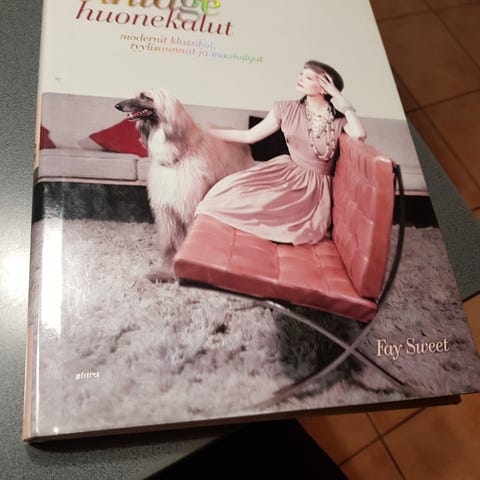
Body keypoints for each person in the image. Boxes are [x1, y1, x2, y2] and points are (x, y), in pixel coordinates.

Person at [195, 60, 367, 245]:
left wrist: (341, 99)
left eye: (308, 78)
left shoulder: (339, 121)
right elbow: (249, 136)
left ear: (325, 88)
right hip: (286, 172)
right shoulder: (286, 108)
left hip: (313, 189)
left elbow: (359, 134)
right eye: (301, 74)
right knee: (229, 192)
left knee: (264, 208)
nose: (300, 78)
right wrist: (205, 132)